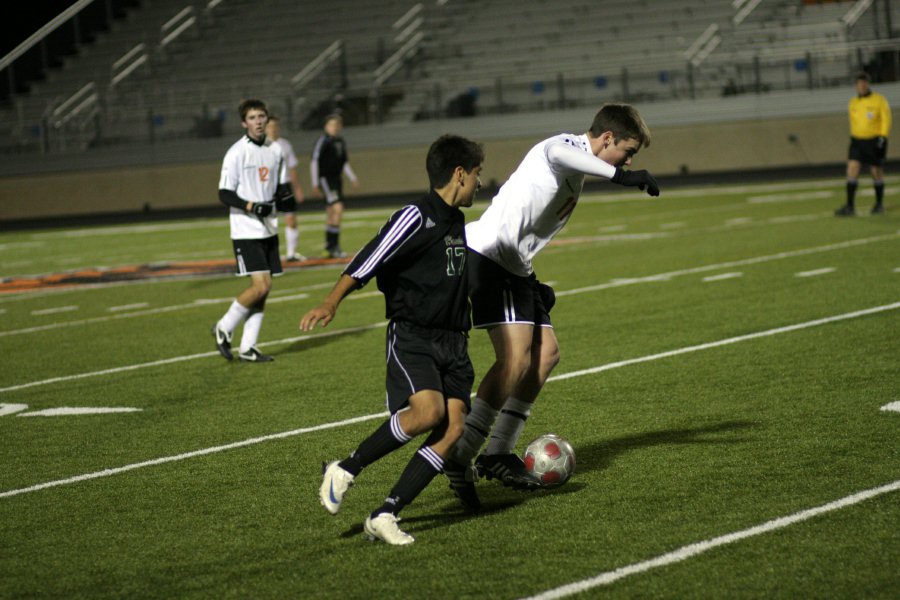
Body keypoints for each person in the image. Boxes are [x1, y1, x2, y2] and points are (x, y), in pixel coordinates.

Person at [444, 103, 660, 509]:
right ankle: (461, 452)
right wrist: (622, 175)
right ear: (607, 138)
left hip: (515, 267)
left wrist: (531, 280)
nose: (629, 159)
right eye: (627, 151)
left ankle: (497, 453)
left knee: (546, 356)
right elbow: (557, 153)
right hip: (488, 257)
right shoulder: (563, 147)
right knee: (515, 360)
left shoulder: (577, 169)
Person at [300, 134, 484, 545]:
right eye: (477, 174)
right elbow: (369, 256)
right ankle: (344, 469)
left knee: (453, 430)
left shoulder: (456, 219)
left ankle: (386, 513)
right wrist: (332, 302)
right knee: (427, 413)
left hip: (455, 342)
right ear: (459, 174)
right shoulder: (416, 215)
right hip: (414, 335)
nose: (480, 183)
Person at [211, 99, 293, 363]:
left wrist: (285, 199)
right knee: (261, 286)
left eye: (262, 116)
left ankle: (248, 347)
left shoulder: (276, 149)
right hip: (246, 229)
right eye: (253, 117)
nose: (258, 121)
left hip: (269, 227)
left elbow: (281, 186)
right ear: (244, 123)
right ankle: (223, 327)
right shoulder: (236, 152)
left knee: (265, 289)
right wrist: (250, 206)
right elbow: (224, 193)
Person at [836, 72, 892, 216]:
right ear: (856, 85)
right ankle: (850, 206)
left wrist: (882, 137)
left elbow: (886, 119)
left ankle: (879, 204)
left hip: (874, 140)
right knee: (852, 169)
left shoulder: (879, 100)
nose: (862, 85)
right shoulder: (853, 102)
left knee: (876, 172)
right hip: (857, 141)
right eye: (859, 83)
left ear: (868, 84)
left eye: (864, 82)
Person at [310, 114, 359, 258]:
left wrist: (353, 177)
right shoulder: (322, 141)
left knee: (332, 213)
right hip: (326, 180)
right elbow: (314, 161)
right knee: (338, 208)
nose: (334, 128)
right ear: (326, 126)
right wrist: (315, 183)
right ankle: (334, 246)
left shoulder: (340, 141)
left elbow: (344, 162)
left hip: (337, 180)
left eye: (337, 125)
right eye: (331, 125)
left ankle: (329, 246)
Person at [265, 116, 306, 261]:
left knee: (291, 219)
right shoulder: (260, 146)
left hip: (285, 187)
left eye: (276, 126)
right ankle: (268, 255)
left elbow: (292, 168)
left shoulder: (285, 145)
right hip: (267, 188)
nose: (273, 129)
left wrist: (298, 189)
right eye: (270, 126)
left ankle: (291, 253)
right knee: (268, 222)